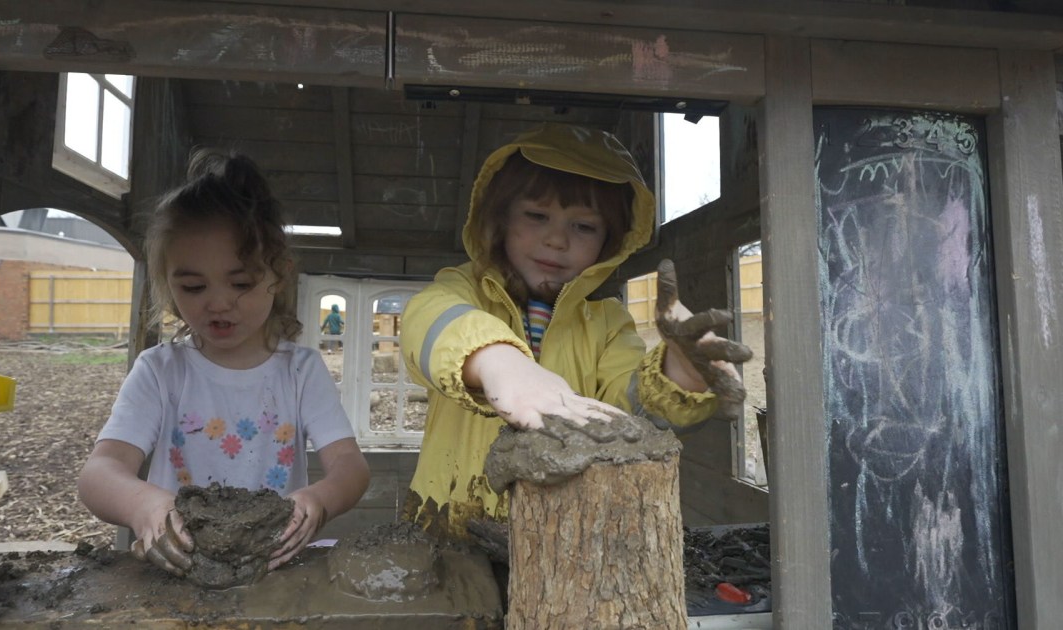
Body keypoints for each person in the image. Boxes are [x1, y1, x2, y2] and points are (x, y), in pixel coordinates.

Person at [398, 122, 746, 541]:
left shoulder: (608, 323)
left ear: (610, 242)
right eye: (537, 215)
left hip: (565, 539)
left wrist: (681, 374)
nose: (557, 240)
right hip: (448, 527)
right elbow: (426, 320)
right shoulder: (464, 289)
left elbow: (629, 408)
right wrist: (496, 361)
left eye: (584, 226)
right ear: (500, 218)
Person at [78, 149, 369, 576]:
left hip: (270, 567)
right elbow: (98, 475)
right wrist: (145, 506)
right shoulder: (160, 371)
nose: (217, 303)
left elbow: (351, 468)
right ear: (167, 284)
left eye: (241, 283)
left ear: (279, 275)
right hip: (181, 568)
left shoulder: (299, 371)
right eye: (194, 287)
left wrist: (318, 501)